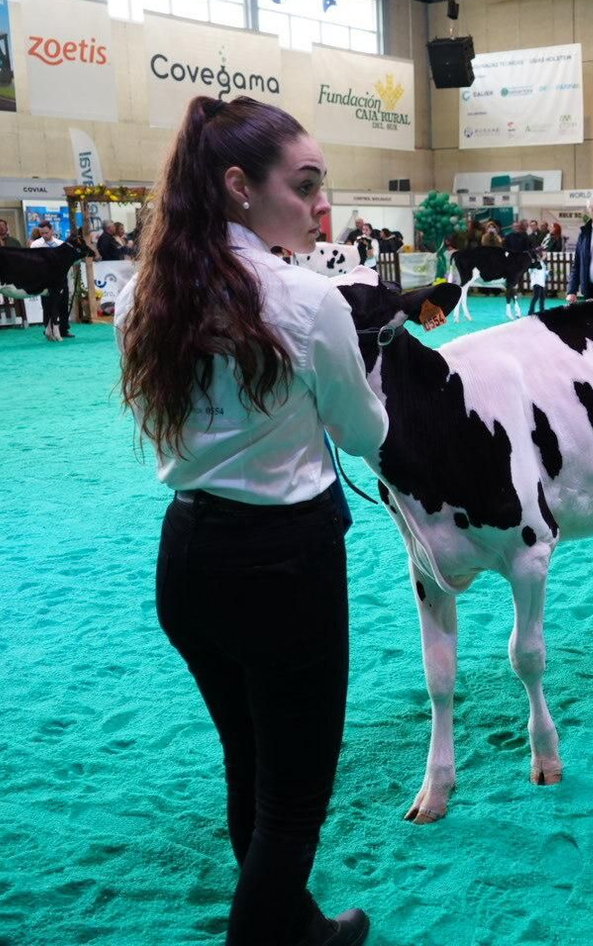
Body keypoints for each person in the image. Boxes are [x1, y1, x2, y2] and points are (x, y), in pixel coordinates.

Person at [114, 96, 383, 946]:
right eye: (304, 186)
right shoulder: (306, 300)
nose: (319, 206)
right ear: (238, 186)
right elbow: (366, 432)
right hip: (283, 565)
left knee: (252, 760)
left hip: (187, 557)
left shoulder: (141, 297)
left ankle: (299, 927)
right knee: (295, 800)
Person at [28, 222, 73, 338]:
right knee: (47, 304)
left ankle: (64, 329)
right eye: (42, 233)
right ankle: (48, 328)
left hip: (61, 279)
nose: (44, 235)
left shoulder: (61, 244)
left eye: (46, 233)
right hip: (44, 281)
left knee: (63, 304)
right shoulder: (36, 245)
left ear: (52, 231)